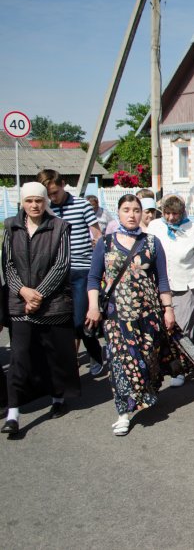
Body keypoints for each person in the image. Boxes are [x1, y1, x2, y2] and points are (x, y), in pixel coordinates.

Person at [85, 195, 176, 436]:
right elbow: (93, 278)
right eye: (126, 210)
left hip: (148, 313)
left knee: (147, 360)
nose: (132, 214)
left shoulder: (152, 243)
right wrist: (93, 307)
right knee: (121, 363)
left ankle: (147, 390)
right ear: (118, 212)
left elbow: (162, 279)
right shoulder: (105, 243)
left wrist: (168, 308)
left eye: (136, 210)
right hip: (116, 316)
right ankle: (123, 412)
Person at [1, 183, 79, 436]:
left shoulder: (60, 227)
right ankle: (13, 413)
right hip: (20, 304)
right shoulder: (11, 226)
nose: (34, 205)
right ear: (22, 202)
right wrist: (23, 291)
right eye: (29, 200)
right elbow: (8, 265)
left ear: (46, 201)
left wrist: (39, 294)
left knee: (54, 355)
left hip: (53, 304)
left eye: (39, 200)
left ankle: (58, 398)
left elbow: (62, 264)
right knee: (19, 357)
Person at [37, 169, 105, 377]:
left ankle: (94, 351)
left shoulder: (81, 205)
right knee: (61, 319)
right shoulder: (46, 208)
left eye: (55, 192)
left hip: (82, 269)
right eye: (49, 194)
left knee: (79, 320)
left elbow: (97, 235)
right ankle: (68, 361)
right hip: (55, 271)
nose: (52, 198)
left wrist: (100, 265)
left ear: (63, 184)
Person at [146, 195, 194, 374]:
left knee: (181, 329)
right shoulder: (155, 226)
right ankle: (166, 364)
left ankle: (180, 368)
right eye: (167, 213)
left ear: (183, 212)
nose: (171, 218)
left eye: (175, 214)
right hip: (159, 284)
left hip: (186, 285)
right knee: (160, 327)